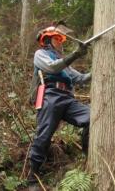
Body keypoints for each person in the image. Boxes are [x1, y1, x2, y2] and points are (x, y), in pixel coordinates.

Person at [28, 24, 91, 185]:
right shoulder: (41, 54)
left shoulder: (64, 64)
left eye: (61, 40)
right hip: (51, 96)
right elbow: (52, 67)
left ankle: (88, 158)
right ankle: (32, 177)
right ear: (48, 40)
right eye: (57, 39)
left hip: (68, 99)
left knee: (93, 118)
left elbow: (82, 79)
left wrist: (99, 68)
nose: (60, 43)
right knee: (43, 136)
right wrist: (76, 54)